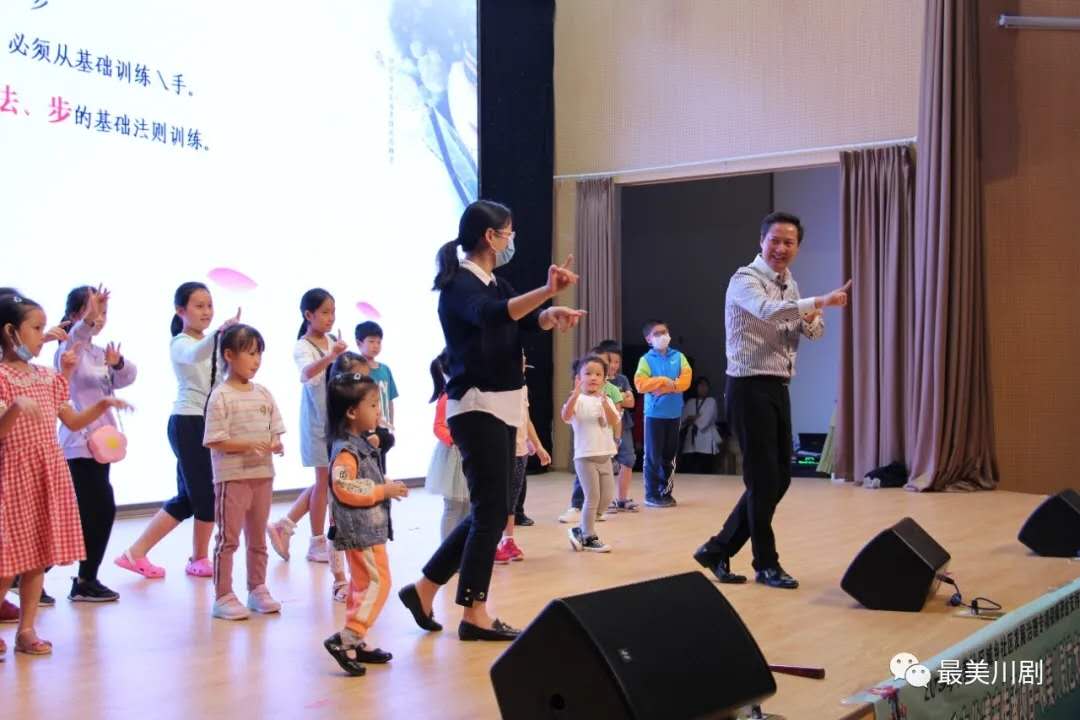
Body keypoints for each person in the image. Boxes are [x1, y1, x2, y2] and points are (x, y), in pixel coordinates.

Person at [397, 199, 582, 641]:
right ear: (490, 236)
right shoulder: (460, 284)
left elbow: (518, 322)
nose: (512, 239)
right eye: (508, 231)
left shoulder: (497, 282)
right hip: (476, 405)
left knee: (491, 510)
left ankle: (425, 589)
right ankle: (474, 611)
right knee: (491, 512)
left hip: (502, 404)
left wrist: (547, 316)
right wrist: (546, 292)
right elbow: (489, 315)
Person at [694, 211, 851, 589]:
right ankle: (766, 564)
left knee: (779, 478)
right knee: (763, 479)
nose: (781, 248)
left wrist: (813, 314)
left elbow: (813, 332)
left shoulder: (790, 283)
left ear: (797, 247)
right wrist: (820, 300)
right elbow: (766, 311)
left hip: (778, 386)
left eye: (789, 242)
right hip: (747, 386)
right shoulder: (744, 279)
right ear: (761, 241)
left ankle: (717, 548)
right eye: (775, 241)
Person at [0, 293, 130, 656]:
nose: (43, 335)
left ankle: (27, 630)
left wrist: (102, 405)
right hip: (12, 476)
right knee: (6, 562)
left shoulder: (47, 377)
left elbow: (71, 420)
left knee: (37, 557)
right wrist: (15, 407)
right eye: (36, 328)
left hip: (47, 474)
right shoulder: (2, 378)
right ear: (11, 332)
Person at [116, 283, 239, 579]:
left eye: (209, 305)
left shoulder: (211, 342)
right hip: (188, 423)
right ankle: (198, 558)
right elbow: (195, 354)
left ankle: (136, 553)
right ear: (180, 310)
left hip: (204, 423)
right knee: (205, 495)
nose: (206, 312)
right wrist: (220, 332)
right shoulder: (181, 342)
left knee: (188, 498)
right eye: (199, 306)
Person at [322, 372, 409, 677]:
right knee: (377, 583)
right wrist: (382, 491)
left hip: (368, 529)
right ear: (351, 412)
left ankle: (356, 641)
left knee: (364, 584)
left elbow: (363, 478)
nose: (378, 411)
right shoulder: (346, 451)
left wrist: (387, 485)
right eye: (372, 405)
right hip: (361, 532)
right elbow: (344, 486)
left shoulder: (359, 444)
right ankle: (347, 637)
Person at [56, 286, 137, 602]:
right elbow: (77, 335)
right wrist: (87, 320)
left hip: (101, 443)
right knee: (96, 510)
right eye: (92, 312)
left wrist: (117, 363)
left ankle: (82, 579)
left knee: (90, 512)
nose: (99, 319)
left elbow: (127, 377)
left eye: (104, 313)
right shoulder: (68, 347)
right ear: (75, 315)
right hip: (79, 442)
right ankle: (82, 579)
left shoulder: (99, 352)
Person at [203, 324, 285, 620]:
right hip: (232, 477)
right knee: (229, 539)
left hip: (262, 475)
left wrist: (276, 444)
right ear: (229, 355)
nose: (256, 360)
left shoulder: (263, 393)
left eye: (259, 354)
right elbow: (214, 440)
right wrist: (248, 445)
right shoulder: (220, 395)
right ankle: (223, 595)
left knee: (258, 537)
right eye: (250, 353)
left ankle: (257, 588)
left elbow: (276, 431)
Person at [267, 289, 347, 565]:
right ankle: (316, 542)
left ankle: (286, 525)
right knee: (324, 481)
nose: (330, 317)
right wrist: (331, 357)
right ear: (308, 315)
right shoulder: (303, 346)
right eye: (324, 312)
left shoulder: (333, 340)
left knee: (327, 481)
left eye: (333, 312)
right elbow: (307, 374)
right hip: (317, 422)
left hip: (337, 421)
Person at [563, 354, 620, 553]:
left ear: (604, 379)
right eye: (588, 373)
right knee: (592, 497)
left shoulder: (606, 400)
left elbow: (613, 421)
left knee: (607, 498)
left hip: (605, 456)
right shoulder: (577, 400)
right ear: (579, 378)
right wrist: (574, 396)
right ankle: (588, 536)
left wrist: (605, 404)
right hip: (585, 457)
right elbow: (565, 416)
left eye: (598, 374)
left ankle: (581, 529)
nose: (593, 377)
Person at [634, 320, 692, 507]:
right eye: (657, 334)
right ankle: (651, 494)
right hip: (654, 415)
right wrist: (663, 380)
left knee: (669, 456)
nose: (662, 336)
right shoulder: (646, 360)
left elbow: (685, 381)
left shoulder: (679, 357)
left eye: (664, 332)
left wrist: (669, 386)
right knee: (652, 456)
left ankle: (666, 492)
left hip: (674, 414)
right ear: (648, 339)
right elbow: (641, 384)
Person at [424, 350, 469, 541]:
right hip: (454, 455)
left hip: (468, 453)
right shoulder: (447, 397)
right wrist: (455, 439)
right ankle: (447, 549)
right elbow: (438, 426)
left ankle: (461, 548)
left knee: (467, 506)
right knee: (453, 506)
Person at [354, 321, 398, 473]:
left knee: (381, 466)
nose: (376, 346)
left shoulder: (385, 369)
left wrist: (390, 423)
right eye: (371, 341)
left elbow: (390, 399)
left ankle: (382, 487)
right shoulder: (357, 370)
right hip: (365, 426)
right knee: (365, 466)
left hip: (382, 425)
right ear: (359, 343)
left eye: (379, 342)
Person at [679, 377, 723, 474]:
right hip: (690, 444)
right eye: (700, 385)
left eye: (705, 385)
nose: (703, 388)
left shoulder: (711, 401)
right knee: (689, 473)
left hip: (706, 443)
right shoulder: (690, 402)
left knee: (705, 473)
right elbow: (681, 422)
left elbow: (705, 422)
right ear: (696, 387)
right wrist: (692, 418)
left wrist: (690, 419)